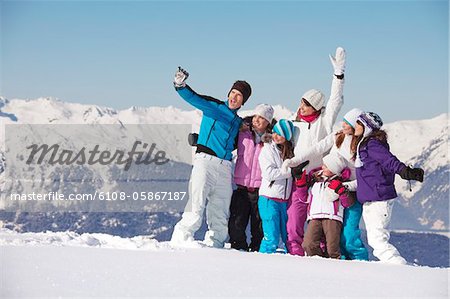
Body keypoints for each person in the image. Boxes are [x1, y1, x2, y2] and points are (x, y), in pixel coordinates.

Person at [170, 67, 252, 248]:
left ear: (243, 101)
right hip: (205, 163)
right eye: (233, 92)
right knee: (196, 204)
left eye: (239, 96)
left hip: (225, 168)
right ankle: (180, 240)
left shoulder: (239, 122)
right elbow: (195, 98)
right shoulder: (215, 107)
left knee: (220, 210)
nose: (234, 97)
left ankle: (216, 245)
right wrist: (180, 84)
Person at [285, 108, 369, 260]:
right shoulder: (339, 136)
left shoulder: (361, 145)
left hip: (352, 189)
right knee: (332, 237)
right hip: (333, 184)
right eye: (343, 121)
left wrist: (346, 187)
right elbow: (317, 148)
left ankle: (360, 260)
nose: (343, 124)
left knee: (349, 235)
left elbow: (365, 176)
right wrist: (295, 161)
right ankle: (337, 262)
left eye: (347, 122)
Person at [286, 47, 346, 256]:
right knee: (294, 218)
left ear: (316, 107)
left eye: (307, 104)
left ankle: (320, 257)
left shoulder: (325, 122)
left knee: (317, 223)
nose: (302, 107)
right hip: (298, 180)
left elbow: (335, 100)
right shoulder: (296, 124)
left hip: (319, 180)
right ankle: (295, 253)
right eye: (302, 102)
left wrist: (338, 74)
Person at [354, 112, 424, 264]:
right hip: (371, 199)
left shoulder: (372, 144)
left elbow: (389, 161)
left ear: (366, 127)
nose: (355, 126)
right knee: (376, 240)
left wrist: (405, 171)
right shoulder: (364, 145)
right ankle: (394, 266)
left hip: (378, 198)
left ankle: (398, 267)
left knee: (378, 240)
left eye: (359, 123)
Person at [228, 104, 275, 252]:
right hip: (241, 189)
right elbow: (225, 137)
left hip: (261, 191)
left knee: (259, 228)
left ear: (268, 121)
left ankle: (256, 252)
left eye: (261, 118)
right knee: (236, 225)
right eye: (255, 116)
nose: (257, 120)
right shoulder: (243, 133)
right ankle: (238, 251)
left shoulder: (272, 140)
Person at [302, 153, 353, 259]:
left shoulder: (341, 183)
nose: (322, 167)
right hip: (314, 217)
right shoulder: (315, 181)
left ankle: (333, 267)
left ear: (334, 169)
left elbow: (347, 203)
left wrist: (341, 191)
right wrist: (301, 184)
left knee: (332, 248)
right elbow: (304, 198)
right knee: (308, 244)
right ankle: (318, 263)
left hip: (332, 217)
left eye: (326, 166)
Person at [258, 119, 295, 254]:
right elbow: (269, 173)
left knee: (286, 237)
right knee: (271, 237)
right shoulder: (268, 150)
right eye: (275, 132)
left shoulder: (290, 151)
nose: (276, 136)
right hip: (269, 198)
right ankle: (263, 261)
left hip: (284, 201)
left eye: (280, 134)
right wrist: (290, 172)